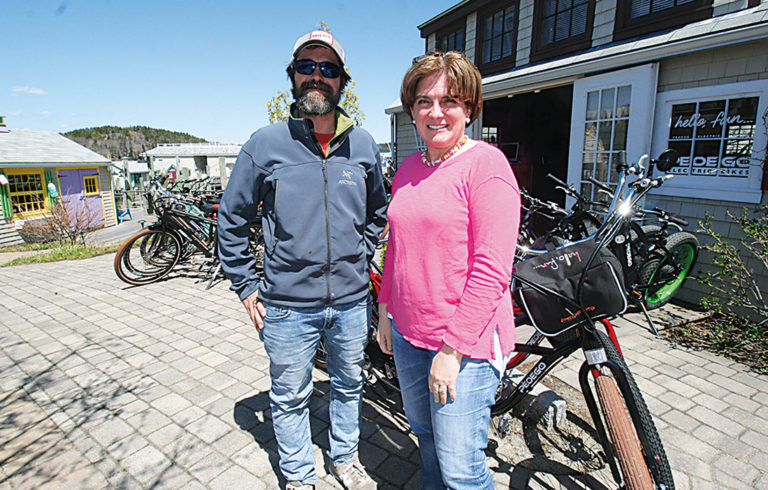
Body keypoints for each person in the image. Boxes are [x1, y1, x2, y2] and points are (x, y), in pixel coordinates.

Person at [217, 30, 388, 490]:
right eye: (307, 67)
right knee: (290, 396)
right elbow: (232, 217)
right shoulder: (265, 143)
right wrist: (245, 285)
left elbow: (378, 210)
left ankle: (345, 459)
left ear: (342, 82)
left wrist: (362, 252)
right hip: (288, 306)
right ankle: (297, 477)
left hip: (353, 303)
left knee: (350, 387)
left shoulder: (364, 145)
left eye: (328, 69)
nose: (317, 76)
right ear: (292, 76)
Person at [376, 51, 520, 488]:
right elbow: (396, 246)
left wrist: (452, 351)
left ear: (470, 108)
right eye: (424, 101)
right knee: (426, 439)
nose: (435, 112)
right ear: (412, 110)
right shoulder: (407, 169)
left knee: (462, 469)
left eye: (449, 101)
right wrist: (385, 309)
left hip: (466, 348)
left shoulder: (486, 166)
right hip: (407, 334)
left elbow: (492, 270)